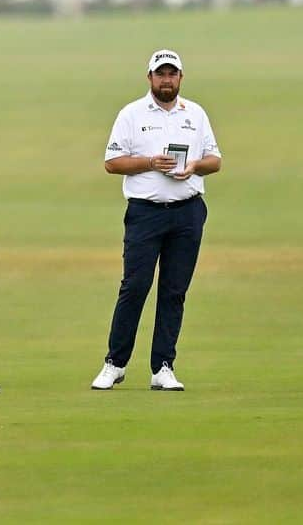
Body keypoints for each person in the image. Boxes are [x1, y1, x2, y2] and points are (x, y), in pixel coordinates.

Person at [90, 47, 222, 393]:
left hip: (187, 211)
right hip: (145, 213)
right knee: (134, 287)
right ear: (150, 78)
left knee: (174, 291)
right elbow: (112, 162)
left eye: (172, 74)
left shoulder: (195, 113)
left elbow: (215, 159)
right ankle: (114, 364)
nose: (167, 80)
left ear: (180, 78)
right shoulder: (132, 114)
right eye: (161, 74)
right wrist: (150, 163)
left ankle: (163, 366)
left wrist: (193, 166)